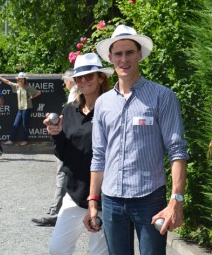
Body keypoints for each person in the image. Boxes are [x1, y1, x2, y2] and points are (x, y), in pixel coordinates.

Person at [85, 25, 189, 254]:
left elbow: (177, 151)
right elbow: (99, 155)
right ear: (110, 58)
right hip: (111, 200)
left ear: (139, 54)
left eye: (129, 52)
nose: (124, 59)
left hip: (149, 198)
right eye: (118, 54)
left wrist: (176, 201)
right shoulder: (103, 103)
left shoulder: (163, 97)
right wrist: (93, 201)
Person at [45, 53, 112, 254]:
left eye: (89, 76)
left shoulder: (112, 109)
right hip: (74, 193)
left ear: (101, 77)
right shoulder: (70, 110)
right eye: (79, 77)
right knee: (57, 250)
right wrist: (56, 135)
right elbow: (63, 153)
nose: (84, 81)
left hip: (104, 196)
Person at [32, 68, 77, 226]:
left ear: (70, 80)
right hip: (69, 141)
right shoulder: (76, 94)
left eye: (65, 81)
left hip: (70, 143)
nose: (65, 84)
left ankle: (54, 213)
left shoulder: (77, 94)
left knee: (62, 175)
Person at [0, 72, 41, 146]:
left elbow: (38, 93)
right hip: (20, 108)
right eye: (19, 79)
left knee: (25, 124)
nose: (20, 80)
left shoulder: (28, 87)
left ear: (24, 79)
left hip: (27, 108)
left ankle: (25, 140)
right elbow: (8, 82)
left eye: (22, 79)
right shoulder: (17, 86)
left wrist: (31, 97)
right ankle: (11, 140)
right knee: (15, 124)